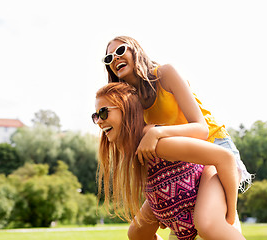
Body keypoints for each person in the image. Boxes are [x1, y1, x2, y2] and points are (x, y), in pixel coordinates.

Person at [102, 36, 252, 239]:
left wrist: (156, 131)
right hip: (183, 164)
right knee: (137, 233)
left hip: (213, 149)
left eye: (120, 51)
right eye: (108, 57)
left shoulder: (164, 74)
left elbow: (201, 129)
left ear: (135, 50)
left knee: (207, 224)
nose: (114, 58)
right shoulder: (131, 103)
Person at [93, 83, 245, 240]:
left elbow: (225, 157)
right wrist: (161, 209)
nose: (99, 121)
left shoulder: (157, 144)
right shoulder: (130, 150)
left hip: (205, 187)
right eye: (95, 116)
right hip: (178, 202)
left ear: (126, 109)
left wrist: (231, 214)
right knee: (136, 233)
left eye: (103, 113)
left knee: (205, 225)